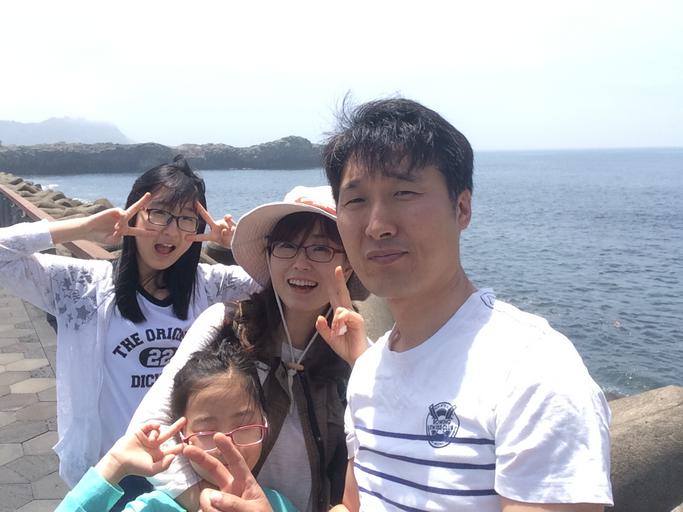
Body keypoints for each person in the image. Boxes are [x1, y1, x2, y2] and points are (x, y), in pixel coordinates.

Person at [319, 98, 613, 511]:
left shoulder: (533, 370)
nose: (377, 225)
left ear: (462, 208)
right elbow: (354, 506)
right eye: (356, 201)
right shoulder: (367, 372)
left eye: (404, 192)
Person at [0, 156, 257, 503]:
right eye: (159, 213)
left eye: (186, 219)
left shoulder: (211, 287)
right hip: (111, 470)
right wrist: (83, 228)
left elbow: (285, 282)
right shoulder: (84, 287)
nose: (171, 231)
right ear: (133, 214)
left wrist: (238, 244)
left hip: (187, 476)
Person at [130, 185, 367, 511]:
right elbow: (149, 426)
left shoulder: (359, 355)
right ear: (269, 256)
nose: (301, 263)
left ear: (349, 264)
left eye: (321, 249)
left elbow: (382, 458)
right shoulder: (225, 325)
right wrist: (206, 498)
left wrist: (362, 363)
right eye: (286, 246)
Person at [55, 339, 297, 511]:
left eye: (243, 426)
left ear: (264, 423)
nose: (227, 444)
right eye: (207, 431)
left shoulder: (277, 505)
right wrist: (114, 464)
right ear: (181, 435)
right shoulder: (151, 508)